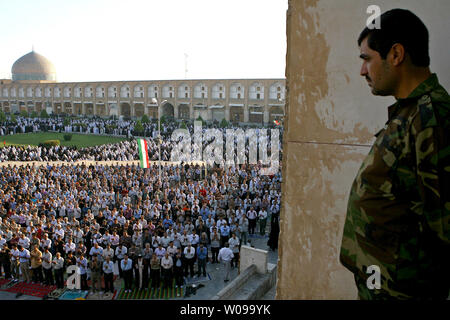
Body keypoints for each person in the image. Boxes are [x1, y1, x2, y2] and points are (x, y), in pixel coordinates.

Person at [340, 9, 450, 300]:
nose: (362, 71)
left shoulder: (432, 118)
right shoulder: (413, 114)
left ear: (396, 55)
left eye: (367, 59)